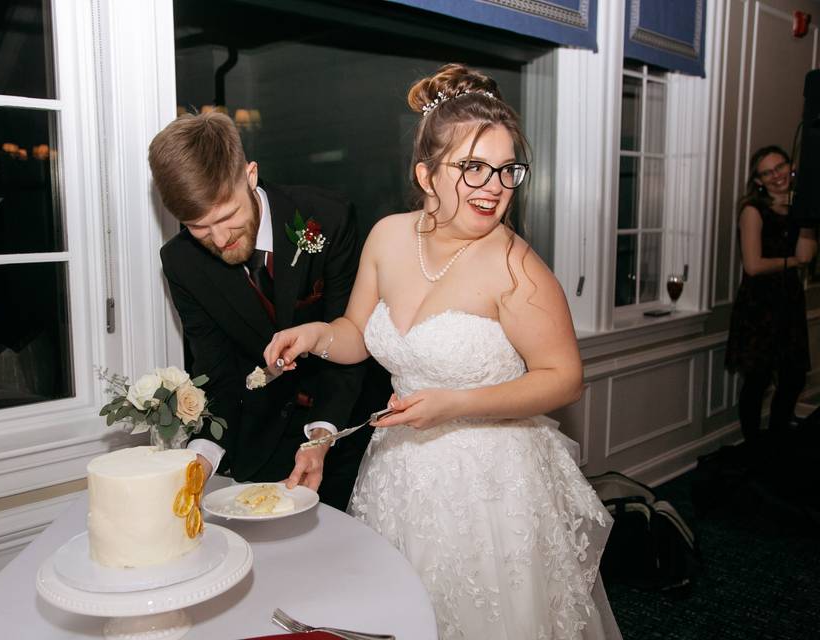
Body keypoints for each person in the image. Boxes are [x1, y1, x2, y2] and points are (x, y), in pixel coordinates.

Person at [263, 64, 621, 639]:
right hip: (399, 472)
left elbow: (564, 378)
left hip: (490, 485)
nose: (493, 186)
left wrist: (454, 404)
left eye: (507, 170)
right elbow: (357, 333)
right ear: (426, 174)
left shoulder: (517, 269)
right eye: (472, 167)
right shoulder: (387, 236)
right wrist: (316, 337)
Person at [149, 111, 384, 510]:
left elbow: (352, 340)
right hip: (259, 441)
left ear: (251, 175)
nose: (220, 239)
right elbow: (217, 372)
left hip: (344, 430)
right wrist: (202, 457)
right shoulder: (180, 262)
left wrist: (322, 437)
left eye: (227, 216)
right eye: (198, 227)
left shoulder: (326, 218)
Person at [726, 145, 817, 453]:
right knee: (758, 380)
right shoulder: (752, 210)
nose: (777, 175)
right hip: (760, 305)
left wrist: (805, 218)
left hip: (789, 301)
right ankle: (754, 448)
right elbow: (753, 265)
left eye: (780, 167)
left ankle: (778, 441)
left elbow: (809, 254)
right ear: (759, 180)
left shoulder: (802, 208)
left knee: (792, 377)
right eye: (768, 172)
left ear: (791, 167)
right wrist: (793, 261)